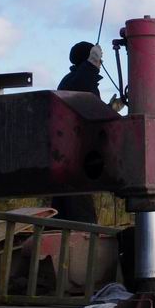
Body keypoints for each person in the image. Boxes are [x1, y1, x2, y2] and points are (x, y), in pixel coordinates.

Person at [51, 41, 106, 223]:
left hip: (69, 158)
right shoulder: (76, 81)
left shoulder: (74, 80)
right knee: (81, 216)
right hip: (74, 159)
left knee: (63, 211)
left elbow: (90, 109)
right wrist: (92, 64)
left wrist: (112, 108)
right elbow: (80, 86)